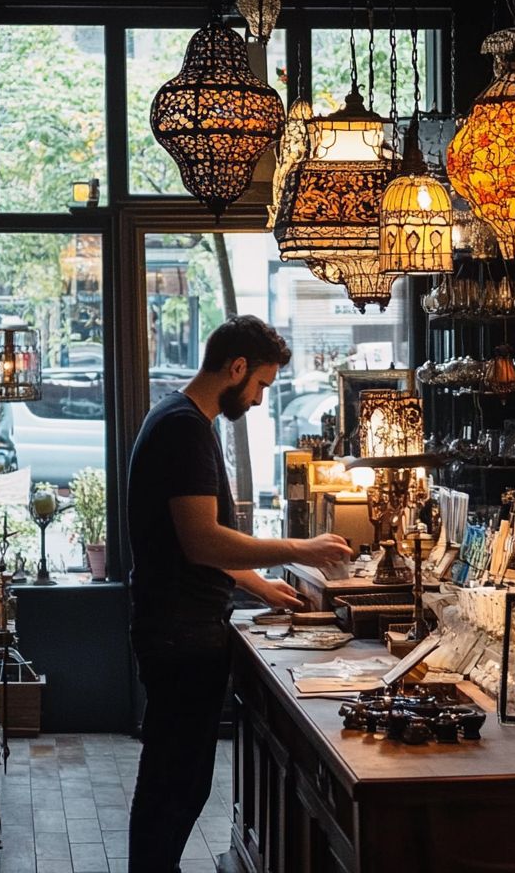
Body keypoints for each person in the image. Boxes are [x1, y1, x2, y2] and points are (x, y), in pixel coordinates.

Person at [126, 315, 352, 873]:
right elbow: (202, 542)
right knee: (175, 783)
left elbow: (194, 548)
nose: (257, 399)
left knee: (175, 779)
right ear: (236, 368)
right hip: (180, 634)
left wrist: (258, 585)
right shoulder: (185, 428)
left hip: (176, 627)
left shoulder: (180, 418)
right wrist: (298, 550)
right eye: (260, 385)